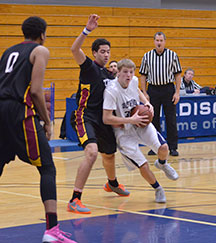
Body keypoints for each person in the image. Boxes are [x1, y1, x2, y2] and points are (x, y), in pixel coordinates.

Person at [0, 16, 76, 243]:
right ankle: (52, 231)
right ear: (42, 34)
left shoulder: (7, 52)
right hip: (18, 112)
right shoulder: (40, 51)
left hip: (1, 110)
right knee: (47, 168)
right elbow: (35, 90)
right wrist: (47, 121)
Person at [67, 14, 129, 214]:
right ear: (94, 53)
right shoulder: (88, 67)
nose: (106, 55)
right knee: (92, 152)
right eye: (102, 52)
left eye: (108, 52)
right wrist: (87, 31)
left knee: (109, 154)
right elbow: (74, 49)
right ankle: (75, 199)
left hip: (102, 119)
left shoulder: (109, 75)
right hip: (84, 116)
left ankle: (111, 183)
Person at [103, 59, 179, 203]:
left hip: (139, 122)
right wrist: (130, 120)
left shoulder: (134, 80)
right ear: (118, 73)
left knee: (163, 147)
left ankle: (162, 163)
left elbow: (137, 91)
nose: (129, 75)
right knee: (143, 164)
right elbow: (106, 118)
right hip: (123, 131)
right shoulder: (111, 91)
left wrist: (147, 103)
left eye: (131, 72)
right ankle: (158, 189)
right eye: (125, 72)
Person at [139, 32, 182, 156]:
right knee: (153, 119)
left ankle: (173, 147)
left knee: (171, 119)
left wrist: (177, 92)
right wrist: (144, 92)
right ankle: (155, 146)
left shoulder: (172, 55)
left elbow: (178, 74)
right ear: (154, 41)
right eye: (157, 40)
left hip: (168, 89)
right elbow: (143, 75)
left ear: (164, 41)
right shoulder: (147, 56)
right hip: (153, 89)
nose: (159, 42)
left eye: (161, 40)